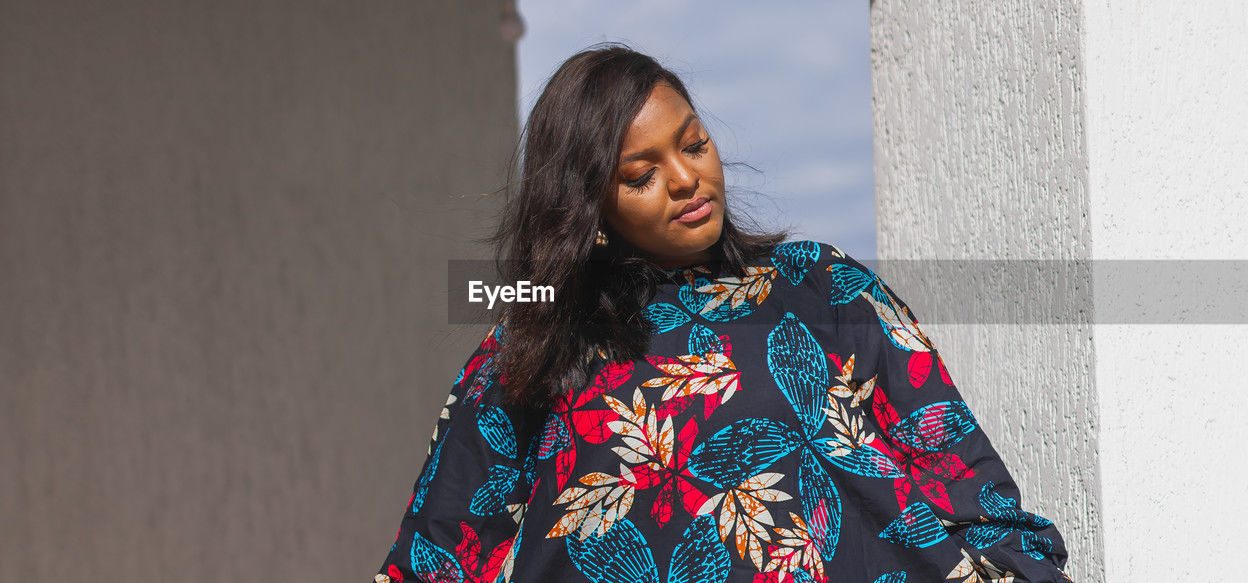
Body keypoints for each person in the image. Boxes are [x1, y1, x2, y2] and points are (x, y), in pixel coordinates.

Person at [371, 43, 1071, 583]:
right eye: (641, 174)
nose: (684, 179)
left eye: (694, 143)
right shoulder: (534, 343)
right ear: (593, 210)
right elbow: (443, 550)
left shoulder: (821, 286)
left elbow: (960, 469)